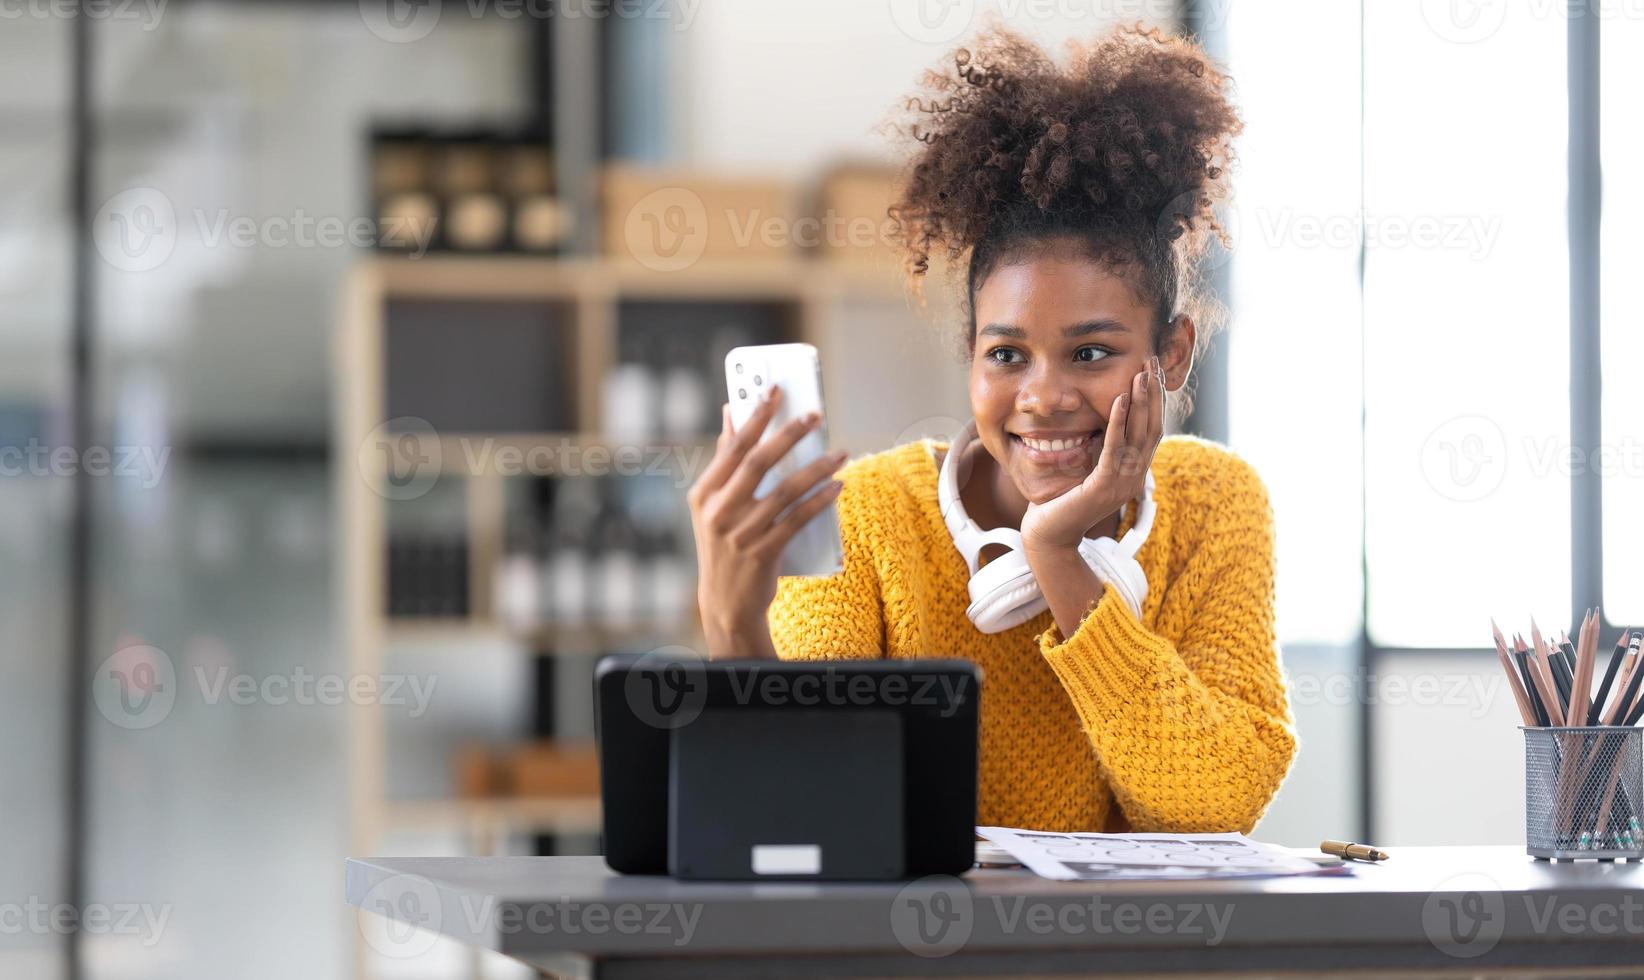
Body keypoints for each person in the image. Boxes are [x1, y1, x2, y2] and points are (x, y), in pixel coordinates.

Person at [686, 24, 1295, 834]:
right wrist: (732, 626)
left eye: (1090, 351)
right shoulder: (868, 514)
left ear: (1172, 353)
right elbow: (810, 817)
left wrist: (1058, 556)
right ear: (969, 356)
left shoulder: (1214, 503)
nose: (1042, 397)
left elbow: (1211, 805)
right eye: (1007, 353)